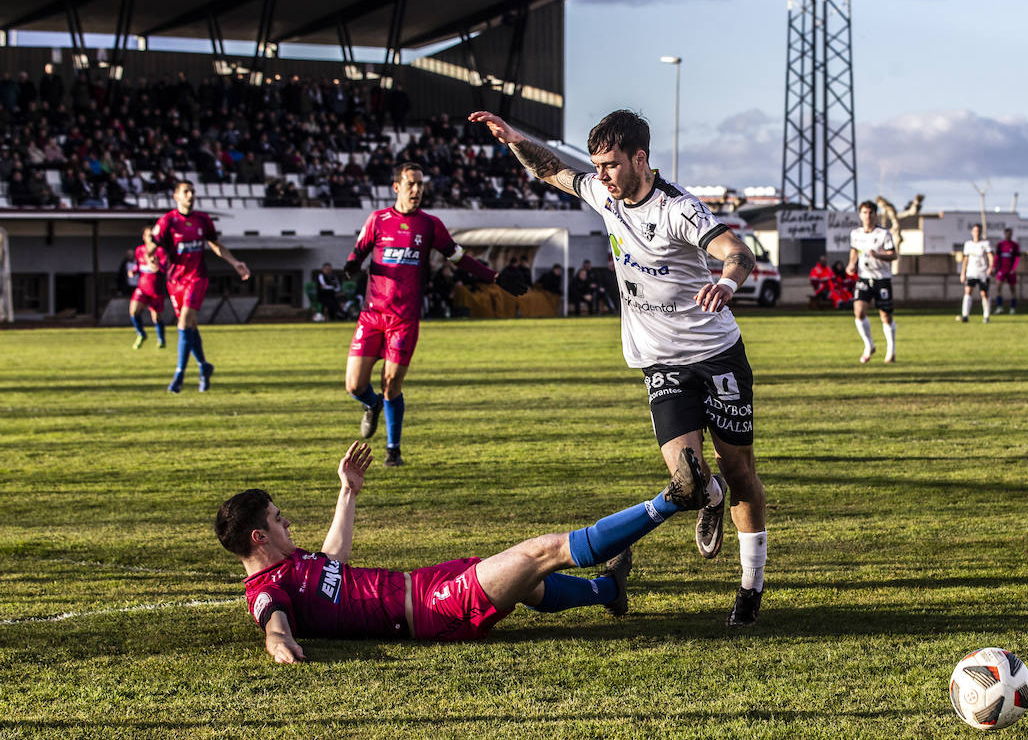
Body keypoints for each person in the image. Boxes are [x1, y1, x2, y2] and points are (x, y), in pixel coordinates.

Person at [469, 109, 769, 627]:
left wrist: (727, 283)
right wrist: (516, 139)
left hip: (716, 354)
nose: (601, 175)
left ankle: (750, 584)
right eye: (596, 166)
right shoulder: (604, 194)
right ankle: (707, 494)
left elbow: (735, 250)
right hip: (660, 362)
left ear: (640, 158)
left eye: (610, 164)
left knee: (739, 471)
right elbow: (549, 169)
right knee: (687, 481)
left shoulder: (680, 210)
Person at [216, 441, 708, 663]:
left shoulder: (295, 564)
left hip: (430, 582)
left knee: (530, 585)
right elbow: (272, 621)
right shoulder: (267, 589)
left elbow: (332, 563)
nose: (288, 522)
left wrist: (348, 492)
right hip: (433, 611)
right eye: (279, 520)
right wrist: (278, 644)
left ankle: (608, 591)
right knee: (542, 552)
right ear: (258, 538)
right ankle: (671, 500)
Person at [339, 162, 527, 468]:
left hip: (405, 319)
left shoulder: (430, 225)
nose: (417, 190)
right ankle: (370, 405)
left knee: (392, 384)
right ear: (396, 187)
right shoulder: (377, 220)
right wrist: (351, 264)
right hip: (372, 315)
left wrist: (495, 277)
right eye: (411, 184)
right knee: (354, 386)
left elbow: (459, 258)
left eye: (421, 185)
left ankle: (392, 450)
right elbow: (359, 250)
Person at [152, 181, 252, 392]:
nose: (190, 195)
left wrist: (235, 263)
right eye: (185, 192)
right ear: (176, 196)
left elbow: (215, 244)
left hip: (197, 278)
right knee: (191, 326)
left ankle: (178, 376)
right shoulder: (168, 221)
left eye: (192, 192)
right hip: (175, 281)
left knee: (183, 323)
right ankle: (204, 366)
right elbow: (154, 243)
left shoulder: (203, 220)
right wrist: (150, 254)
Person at [846, 200, 898, 363]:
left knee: (885, 316)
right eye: (864, 213)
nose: (867, 216)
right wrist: (851, 264)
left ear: (875, 215)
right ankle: (869, 345)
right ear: (860, 215)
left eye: (870, 213)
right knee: (859, 312)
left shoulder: (884, 234)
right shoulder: (856, 234)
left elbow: (893, 255)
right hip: (864, 277)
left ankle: (891, 350)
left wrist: (879, 255)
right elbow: (854, 251)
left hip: (882, 279)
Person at [129, 227, 168, 350]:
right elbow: (139, 266)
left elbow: (164, 269)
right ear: (144, 237)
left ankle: (161, 339)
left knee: (156, 317)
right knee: (133, 311)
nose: (151, 238)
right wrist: (133, 271)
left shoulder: (160, 251)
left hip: (156, 289)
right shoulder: (140, 251)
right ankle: (141, 334)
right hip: (142, 287)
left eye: (153, 236)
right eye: (148, 236)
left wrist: (156, 264)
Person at [958, 223, 995, 323]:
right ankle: (965, 315)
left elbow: (991, 257)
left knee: (984, 294)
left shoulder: (985, 244)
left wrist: (991, 268)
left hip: (982, 272)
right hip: (971, 272)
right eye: (975, 231)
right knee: (968, 292)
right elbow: (965, 259)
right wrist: (963, 273)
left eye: (978, 231)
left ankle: (986, 316)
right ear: (972, 232)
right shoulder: (968, 244)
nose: (976, 233)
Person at [993, 228, 1021, 315]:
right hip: (1002, 270)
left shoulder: (1015, 245)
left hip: (1011, 271)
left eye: (1010, 234)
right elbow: (997, 257)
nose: (1009, 235)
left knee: (1013, 290)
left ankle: (1012, 308)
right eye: (1007, 234)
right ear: (1004, 234)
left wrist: (1014, 268)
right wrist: (994, 267)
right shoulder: (1000, 245)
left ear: (1012, 234)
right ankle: (999, 307)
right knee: (998, 288)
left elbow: (1017, 258)